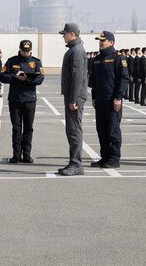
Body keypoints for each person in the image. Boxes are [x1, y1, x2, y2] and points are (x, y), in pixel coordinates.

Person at [0, 39, 44, 164]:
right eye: (24, 51)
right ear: (19, 49)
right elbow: (2, 77)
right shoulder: (11, 61)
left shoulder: (36, 62)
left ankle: (27, 155)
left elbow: (40, 79)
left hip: (30, 99)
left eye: (28, 51)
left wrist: (26, 79)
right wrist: (15, 77)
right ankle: (16, 155)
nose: (26, 53)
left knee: (29, 128)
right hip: (15, 99)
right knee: (16, 128)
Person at [89, 31, 129, 169]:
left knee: (113, 130)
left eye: (103, 41)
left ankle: (114, 158)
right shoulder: (97, 59)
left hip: (113, 100)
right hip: (100, 100)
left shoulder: (118, 58)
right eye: (100, 41)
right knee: (101, 130)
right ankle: (104, 156)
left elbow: (124, 79)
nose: (101, 43)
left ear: (111, 42)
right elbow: (94, 81)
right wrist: (94, 97)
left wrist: (119, 97)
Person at [58, 23, 87, 176]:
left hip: (75, 97)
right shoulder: (74, 49)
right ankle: (73, 162)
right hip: (72, 96)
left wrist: (73, 99)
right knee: (71, 130)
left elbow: (77, 77)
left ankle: (76, 164)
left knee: (74, 130)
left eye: (65, 33)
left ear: (72, 34)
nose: (63, 36)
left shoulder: (76, 51)